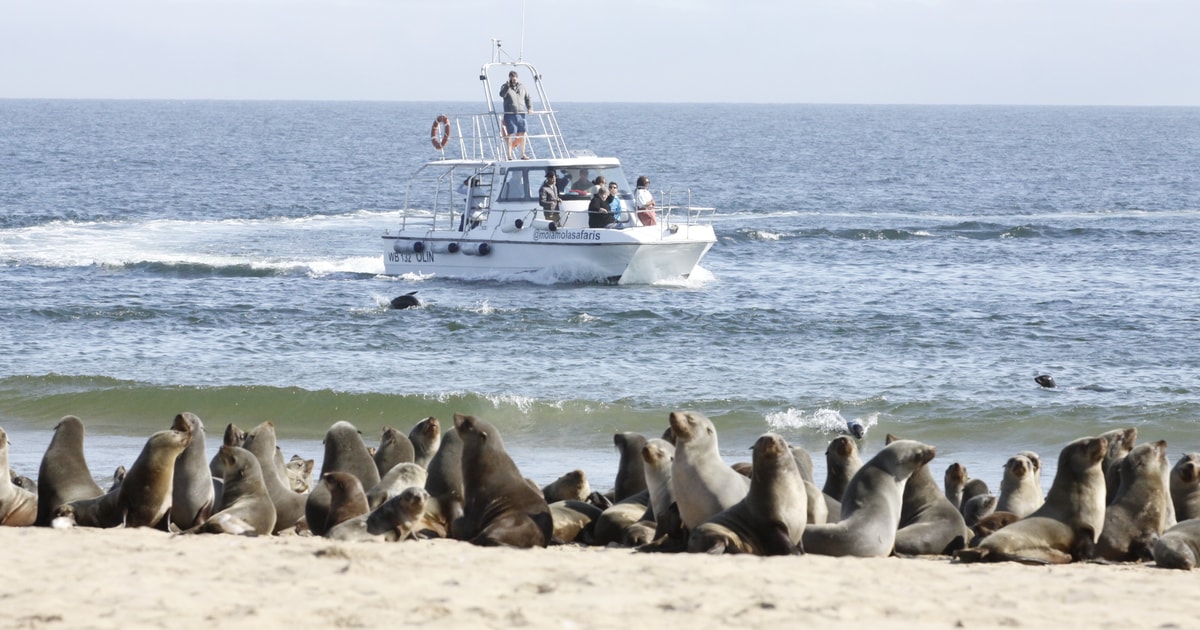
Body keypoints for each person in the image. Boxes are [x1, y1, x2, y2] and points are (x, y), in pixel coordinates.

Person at [499, 70, 532, 160]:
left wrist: (529, 107)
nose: (513, 80)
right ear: (509, 78)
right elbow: (501, 94)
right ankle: (509, 155)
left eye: (515, 78)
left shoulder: (522, 87)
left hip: (521, 114)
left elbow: (527, 97)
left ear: (517, 78)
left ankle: (522, 154)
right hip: (510, 114)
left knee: (523, 133)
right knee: (510, 134)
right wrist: (507, 86)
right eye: (512, 78)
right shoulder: (505, 86)